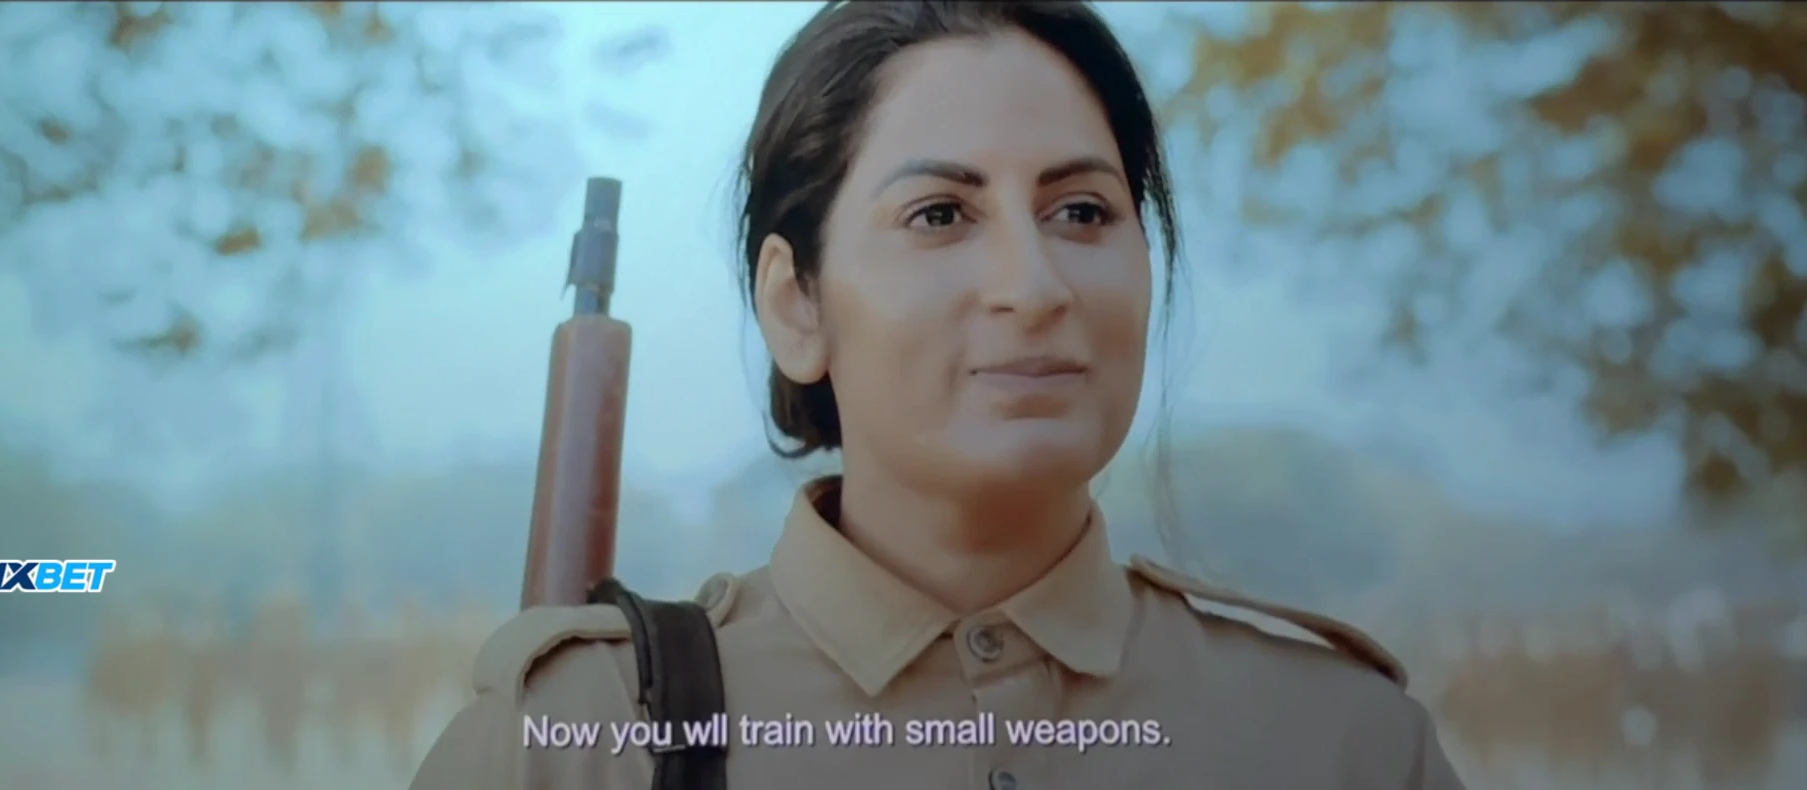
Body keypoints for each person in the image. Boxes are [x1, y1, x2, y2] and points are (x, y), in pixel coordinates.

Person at [411, 2, 1466, 789]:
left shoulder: (1344, 744)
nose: (1035, 288)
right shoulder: (575, 745)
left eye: (1083, 211)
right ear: (796, 304)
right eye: (940, 216)